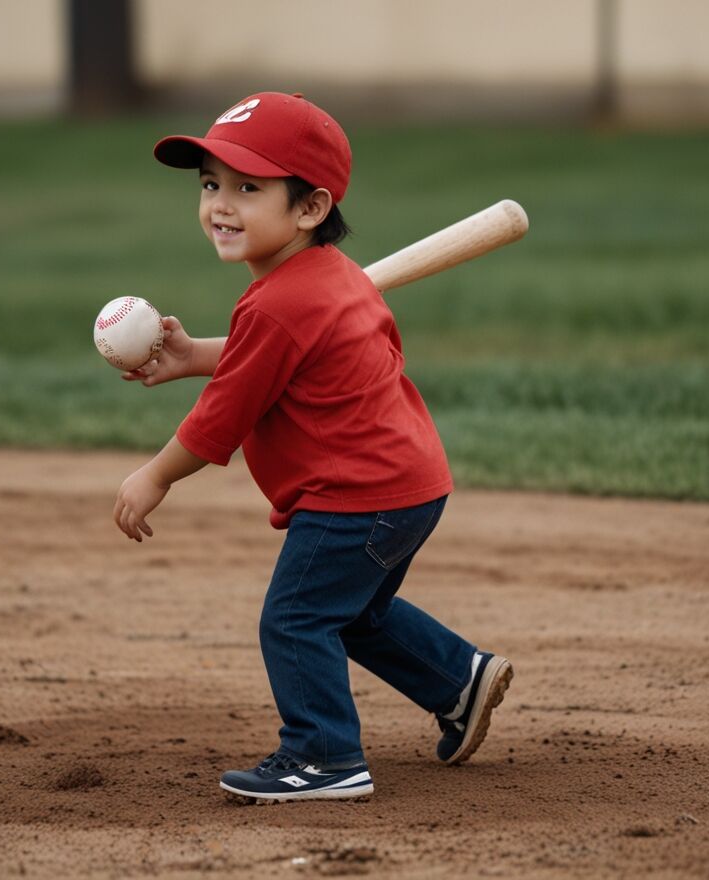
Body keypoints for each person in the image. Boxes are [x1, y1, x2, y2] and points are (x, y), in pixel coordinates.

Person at [112, 91, 512, 803]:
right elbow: (276, 353)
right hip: (408, 484)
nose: (220, 204)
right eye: (210, 185)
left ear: (310, 208)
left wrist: (155, 476)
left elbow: (220, 421)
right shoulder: (326, 281)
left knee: (296, 617)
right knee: (353, 612)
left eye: (247, 187)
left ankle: (324, 758)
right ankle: (456, 681)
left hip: (354, 499)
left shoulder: (278, 301)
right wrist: (192, 353)